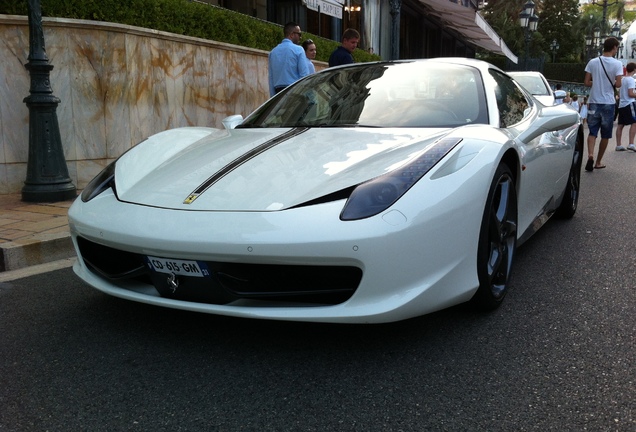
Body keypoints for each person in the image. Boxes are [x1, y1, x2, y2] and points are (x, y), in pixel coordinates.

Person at [583, 37, 623, 171]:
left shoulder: (592, 62)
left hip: (594, 102)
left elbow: (587, 82)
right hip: (608, 103)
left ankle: (590, 155)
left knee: (592, 132)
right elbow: (618, 84)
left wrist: (597, 83)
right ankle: (598, 161)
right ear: (614, 48)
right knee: (605, 135)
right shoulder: (617, 64)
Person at [268, 22, 310, 97]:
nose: (300, 37)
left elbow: (271, 78)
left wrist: (273, 98)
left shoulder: (273, 52)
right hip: (295, 92)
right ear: (292, 34)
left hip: (278, 93)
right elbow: (304, 75)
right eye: (299, 34)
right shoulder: (299, 50)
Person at [615, 62, 636, 152]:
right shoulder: (631, 80)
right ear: (634, 70)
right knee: (634, 122)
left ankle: (618, 144)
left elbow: (619, 93)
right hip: (629, 103)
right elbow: (631, 94)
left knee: (620, 125)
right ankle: (631, 143)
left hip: (622, 104)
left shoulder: (623, 79)